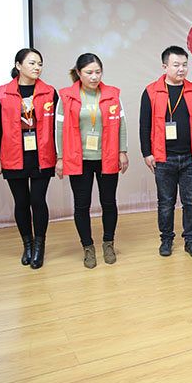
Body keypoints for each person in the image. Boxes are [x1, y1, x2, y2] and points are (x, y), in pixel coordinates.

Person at [56, 53, 128, 269]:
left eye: (98, 72)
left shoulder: (113, 94)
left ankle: (108, 243)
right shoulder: (66, 96)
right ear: (79, 73)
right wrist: (60, 157)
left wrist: (122, 151)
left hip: (107, 156)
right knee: (82, 205)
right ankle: (87, 247)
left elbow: (122, 124)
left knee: (109, 202)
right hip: (79, 159)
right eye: (89, 72)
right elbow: (59, 129)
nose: (94, 77)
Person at [140, 45, 192, 258]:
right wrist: (147, 153)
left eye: (185, 65)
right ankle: (166, 240)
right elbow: (144, 125)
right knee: (165, 203)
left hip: (191, 157)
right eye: (176, 65)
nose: (181, 69)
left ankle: (190, 240)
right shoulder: (151, 92)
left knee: (191, 202)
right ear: (165, 67)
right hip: (163, 157)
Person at [0, 48, 57, 269]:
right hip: (12, 156)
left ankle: (39, 246)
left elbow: (57, 129)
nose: (37, 67)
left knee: (38, 200)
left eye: (40, 64)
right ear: (18, 66)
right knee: (21, 202)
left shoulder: (50, 93)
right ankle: (27, 245)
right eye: (32, 63)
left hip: (42, 156)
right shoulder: (2, 94)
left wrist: (60, 156)